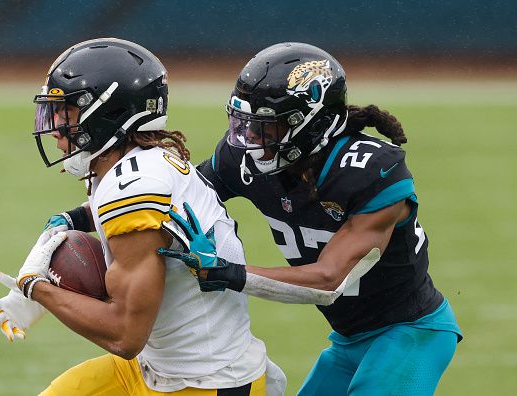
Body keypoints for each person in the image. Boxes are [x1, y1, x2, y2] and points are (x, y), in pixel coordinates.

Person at [0, 38, 286, 396]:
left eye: (67, 113)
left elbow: (125, 336)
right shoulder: (136, 165)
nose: (56, 128)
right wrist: (72, 219)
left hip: (202, 382)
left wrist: (36, 287)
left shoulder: (133, 190)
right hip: (157, 369)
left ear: (106, 112)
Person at [160, 42, 463, 395]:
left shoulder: (370, 172)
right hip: (349, 341)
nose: (250, 139)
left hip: (411, 331)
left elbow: (328, 280)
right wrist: (81, 218)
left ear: (311, 125)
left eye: (266, 129)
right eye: (247, 124)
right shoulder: (249, 161)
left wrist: (228, 272)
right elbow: (174, 194)